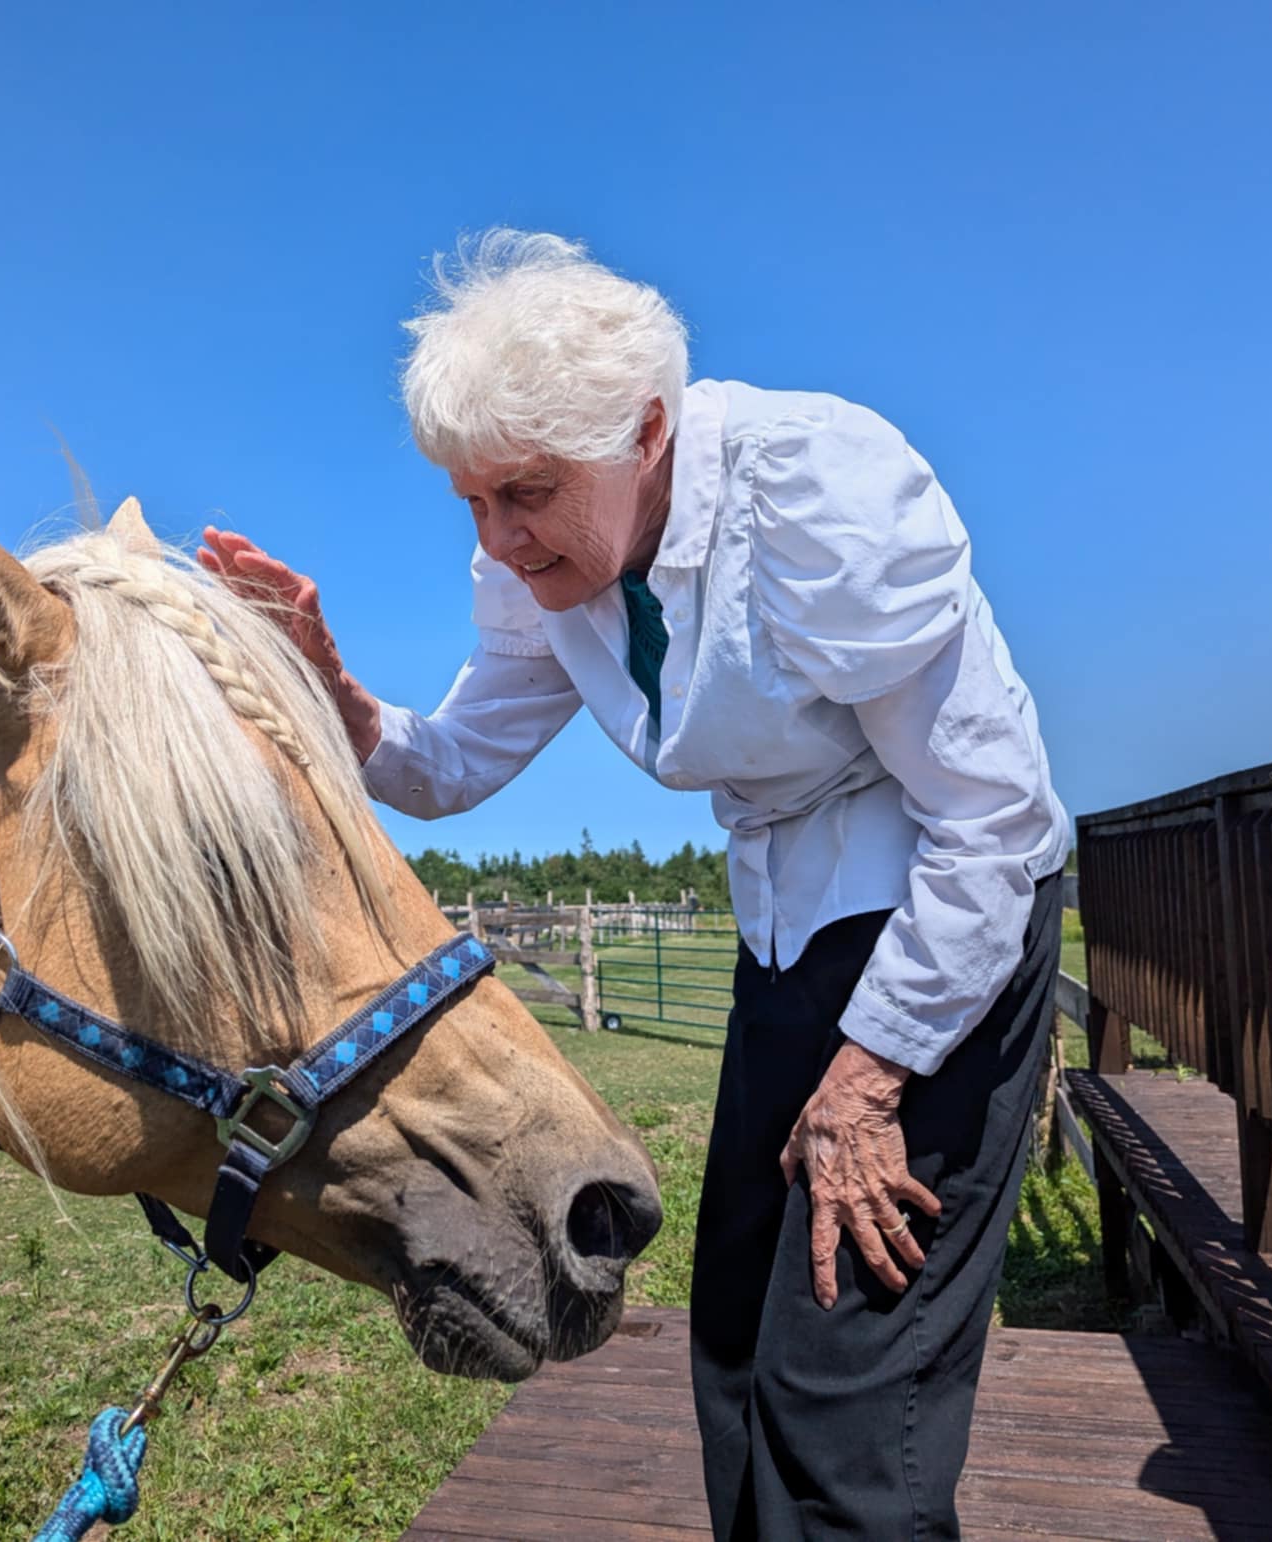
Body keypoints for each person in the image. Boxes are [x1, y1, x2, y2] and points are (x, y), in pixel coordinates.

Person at [198, 230, 1069, 1540]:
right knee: (728, 1348)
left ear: (649, 430)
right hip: (789, 933)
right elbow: (448, 765)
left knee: (846, 1403)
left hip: (943, 924)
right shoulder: (549, 565)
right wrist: (333, 691)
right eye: (473, 501)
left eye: (529, 492)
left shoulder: (820, 492)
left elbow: (991, 817)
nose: (499, 536)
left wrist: (869, 1076)